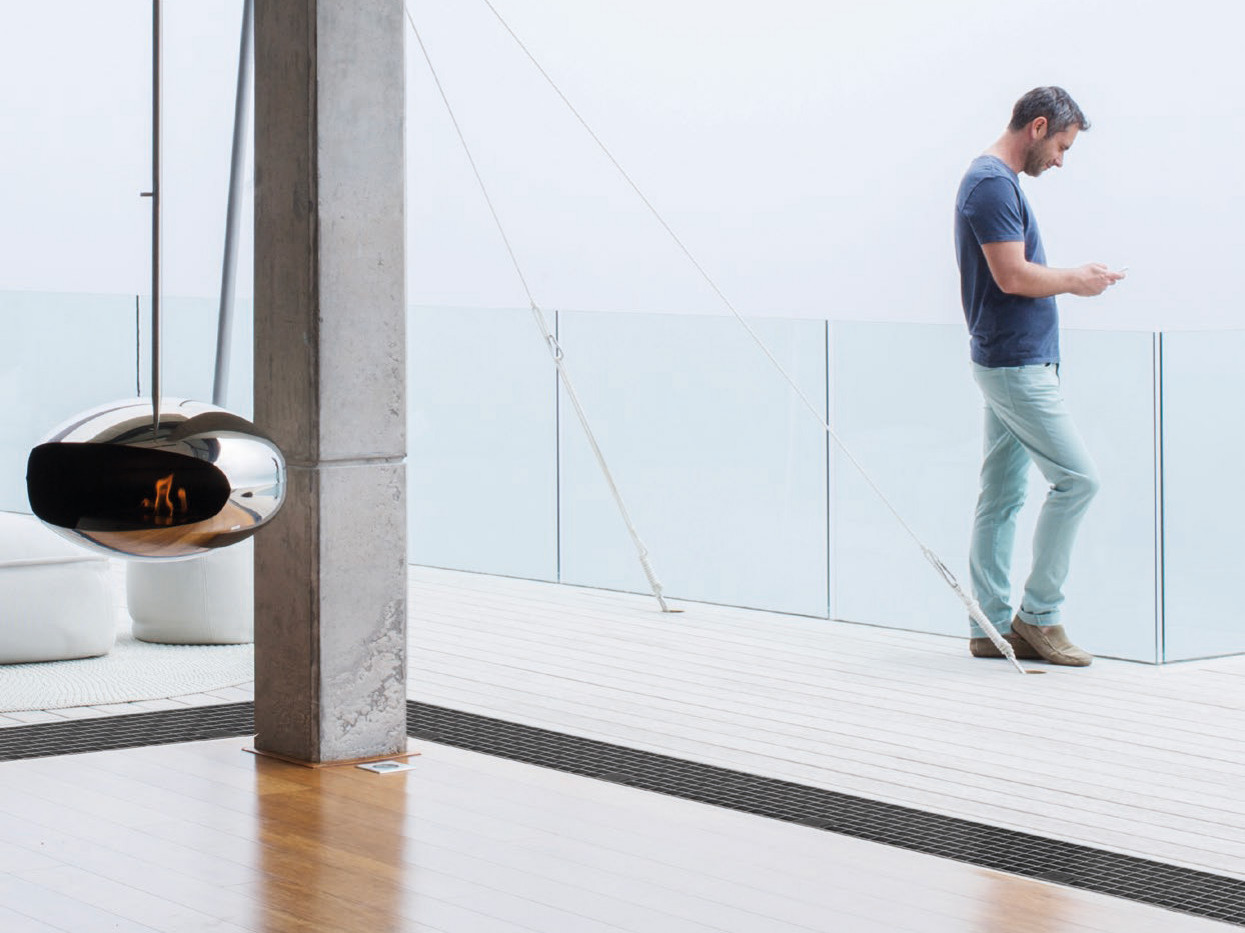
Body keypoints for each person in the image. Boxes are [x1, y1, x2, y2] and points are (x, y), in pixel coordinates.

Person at [954, 86, 1124, 667]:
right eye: (1061, 146)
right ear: (1039, 126)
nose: (1059, 159)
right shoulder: (992, 185)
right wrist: (1077, 280)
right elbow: (1011, 276)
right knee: (1079, 481)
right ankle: (1039, 616)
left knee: (1001, 494)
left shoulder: (995, 183)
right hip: (1014, 364)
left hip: (1011, 359)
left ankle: (990, 626)